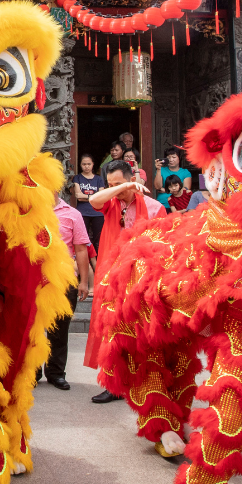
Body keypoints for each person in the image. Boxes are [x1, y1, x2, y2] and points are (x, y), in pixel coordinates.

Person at [83, 158, 162, 403]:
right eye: (110, 184)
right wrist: (119, 188)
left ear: (132, 179)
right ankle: (114, 384)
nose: (114, 188)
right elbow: (94, 200)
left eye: (119, 183)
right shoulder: (110, 203)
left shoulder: (154, 207)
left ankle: (140, 381)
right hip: (112, 275)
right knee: (111, 331)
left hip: (139, 277)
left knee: (138, 331)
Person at [45, 195, 94, 390]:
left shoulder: (73, 214)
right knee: (33, 329)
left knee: (60, 328)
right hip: (35, 281)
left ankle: (56, 373)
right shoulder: (31, 210)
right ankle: (31, 373)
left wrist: (83, 282)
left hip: (64, 279)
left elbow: (81, 249)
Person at [72, 154, 106, 248]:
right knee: (83, 240)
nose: (86, 166)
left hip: (98, 213)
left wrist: (86, 196)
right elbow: (78, 196)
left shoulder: (99, 179)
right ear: (80, 165)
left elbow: (101, 196)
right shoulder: (77, 178)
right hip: (82, 213)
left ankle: (98, 261)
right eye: (84, 164)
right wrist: (94, 197)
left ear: (93, 164)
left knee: (98, 240)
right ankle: (86, 261)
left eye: (88, 164)